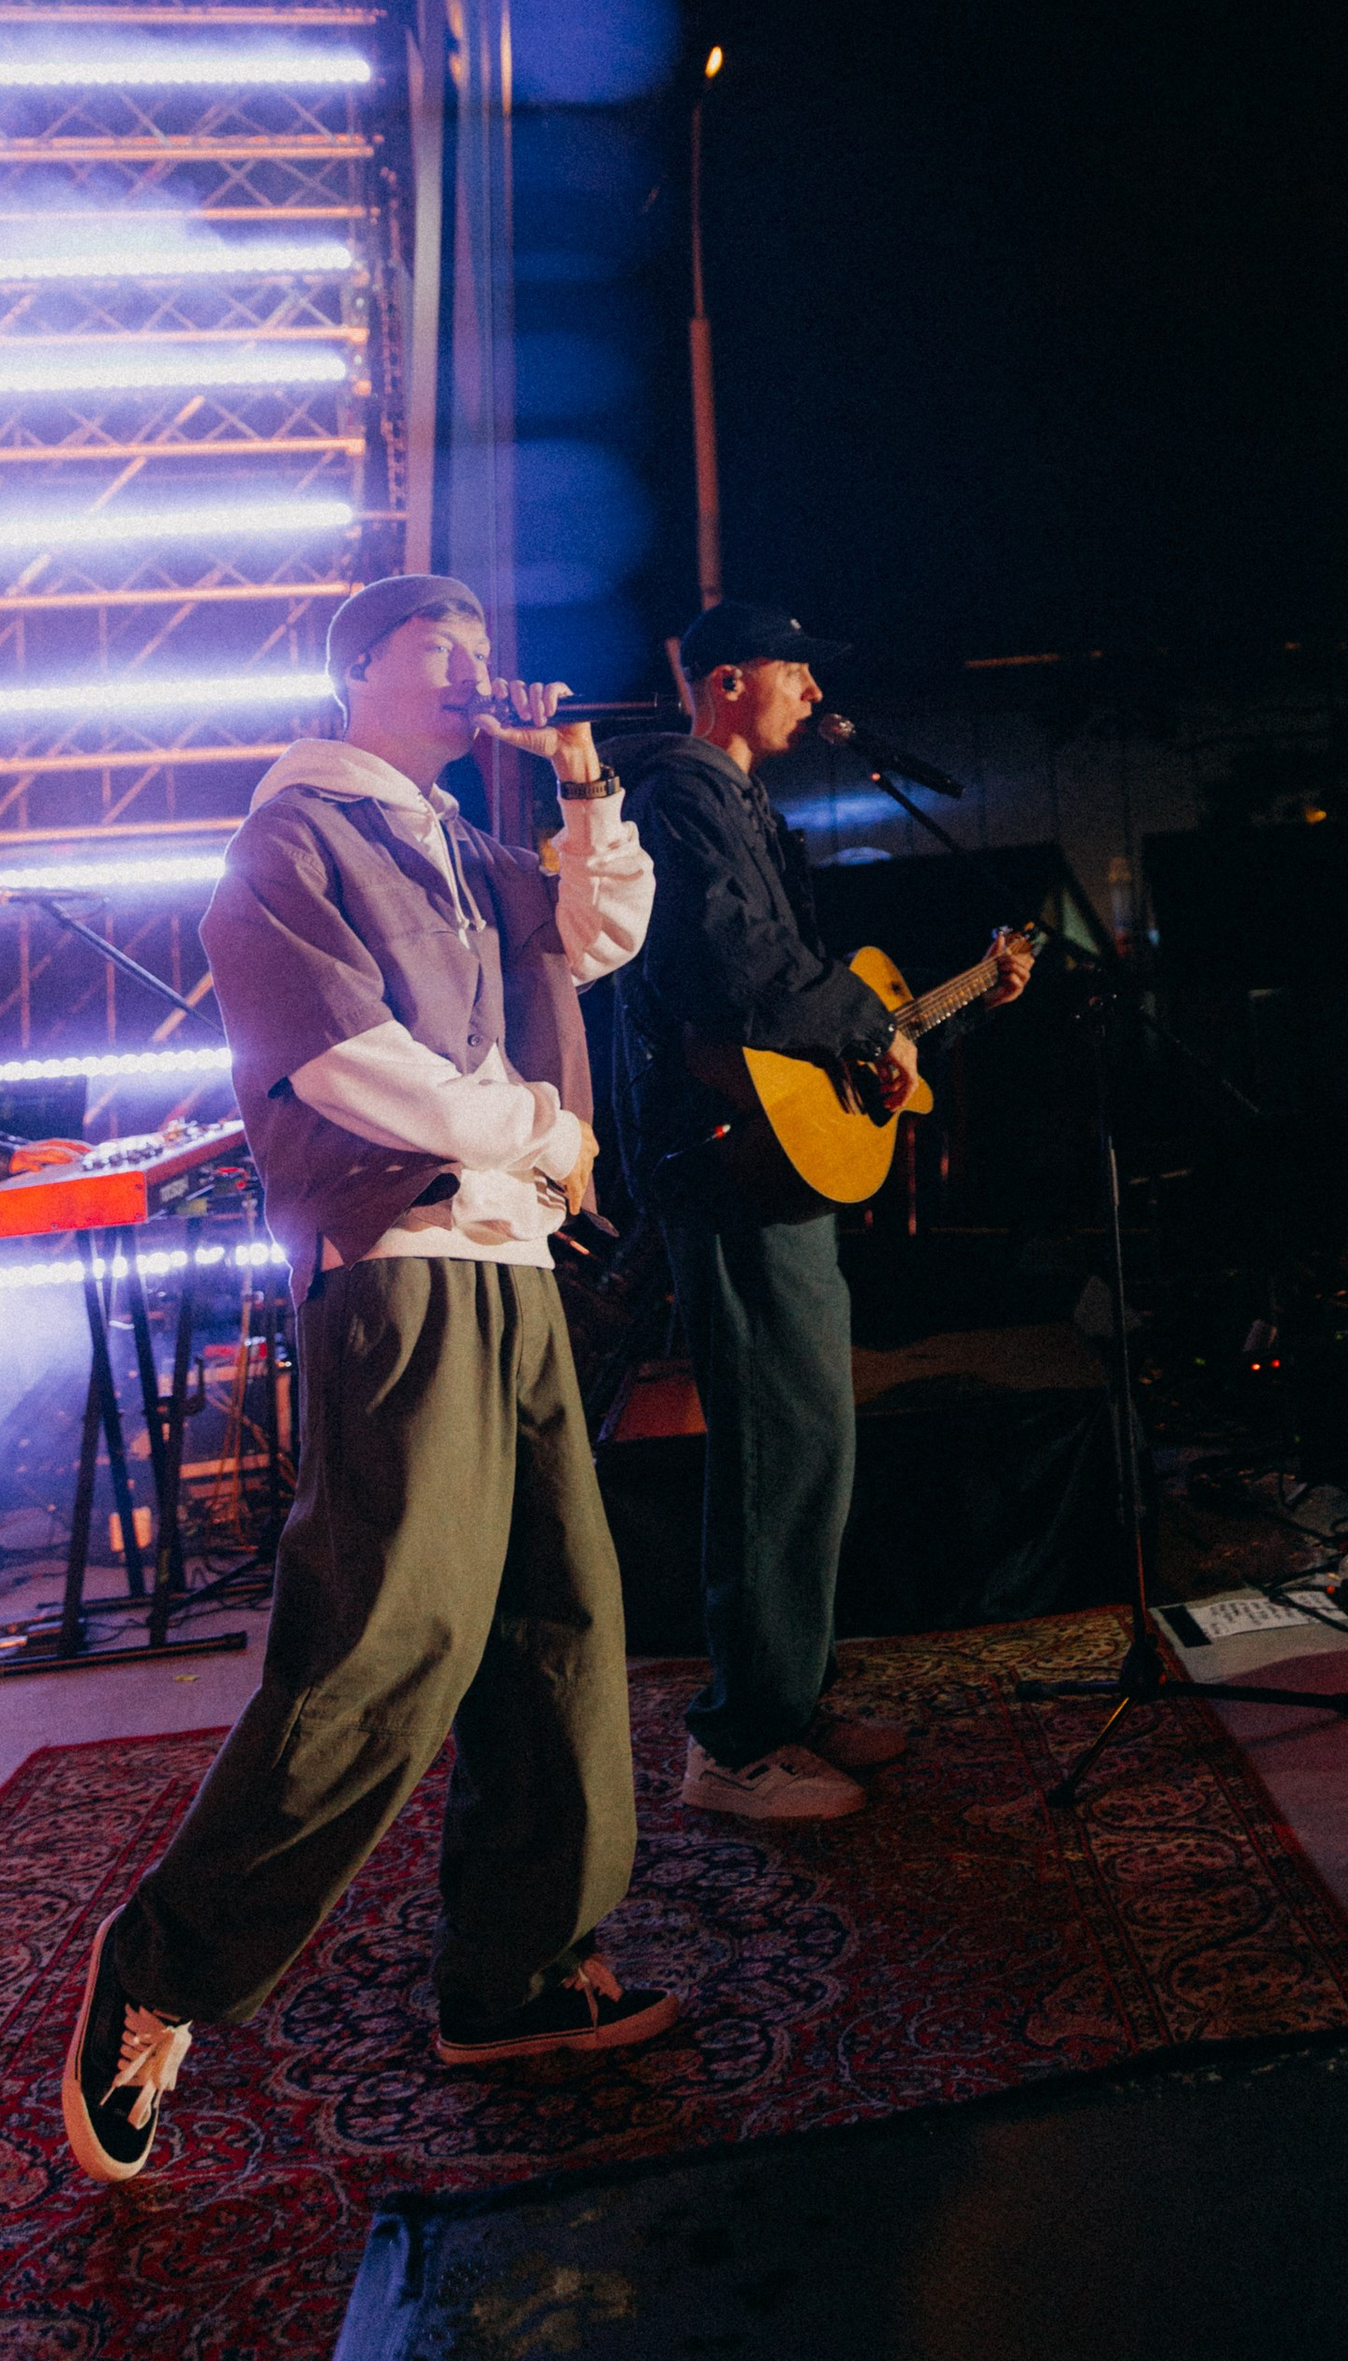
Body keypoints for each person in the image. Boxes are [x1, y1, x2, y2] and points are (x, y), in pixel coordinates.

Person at [60, 575, 670, 2190]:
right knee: (390, 1644)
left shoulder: (460, 846)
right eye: (442, 651)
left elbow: (599, 933)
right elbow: (342, 1062)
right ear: (358, 671)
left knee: (557, 1625)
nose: (479, 674)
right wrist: (539, 1131)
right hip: (401, 1268)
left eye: (484, 649)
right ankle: (166, 1961)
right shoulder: (295, 839)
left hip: (517, 1263)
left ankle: (518, 1979)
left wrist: (587, 783)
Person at [616, 600, 1032, 1825]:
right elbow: (729, 967)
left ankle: (788, 1697)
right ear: (730, 679)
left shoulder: (738, 798)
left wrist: (892, 1035)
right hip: (719, 1159)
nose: (813, 689)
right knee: (778, 1448)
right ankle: (737, 1741)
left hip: (768, 1154)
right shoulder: (678, 792)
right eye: (796, 669)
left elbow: (793, 993)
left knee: (811, 1440)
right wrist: (866, 1030)